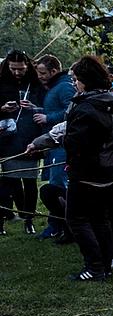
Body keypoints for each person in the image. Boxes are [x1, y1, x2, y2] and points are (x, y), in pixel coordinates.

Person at [61, 56, 113, 281]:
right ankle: (105, 266)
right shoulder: (111, 101)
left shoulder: (87, 108)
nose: (75, 84)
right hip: (109, 170)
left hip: (89, 172)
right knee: (100, 220)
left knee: (77, 219)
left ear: (85, 81)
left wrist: (65, 141)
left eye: (77, 79)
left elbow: (79, 143)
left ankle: (95, 266)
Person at [0, 50, 45, 235]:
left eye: (21, 69)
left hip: (28, 137)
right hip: (7, 138)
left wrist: (35, 108)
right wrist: (2, 108)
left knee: (29, 181)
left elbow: (45, 108)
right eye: (13, 69)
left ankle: (28, 218)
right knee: (8, 180)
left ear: (27, 66)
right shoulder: (1, 82)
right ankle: (3, 218)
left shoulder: (35, 84)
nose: (17, 73)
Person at [32, 54, 75, 240]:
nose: (40, 76)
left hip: (61, 145)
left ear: (54, 71)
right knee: (52, 184)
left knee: (57, 185)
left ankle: (61, 225)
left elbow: (71, 113)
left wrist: (48, 118)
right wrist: (37, 110)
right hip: (53, 145)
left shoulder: (64, 87)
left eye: (43, 72)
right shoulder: (53, 87)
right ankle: (57, 224)